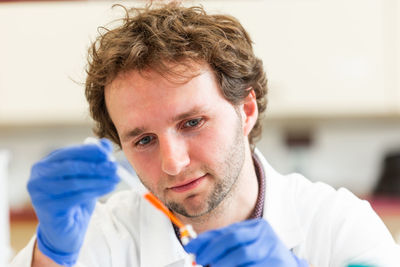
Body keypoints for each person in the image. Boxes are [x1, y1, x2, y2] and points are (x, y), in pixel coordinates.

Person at [10, 3, 400, 267]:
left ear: (246, 110)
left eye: (192, 122)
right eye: (143, 139)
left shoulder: (337, 226)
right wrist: (51, 254)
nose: (173, 162)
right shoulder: (105, 239)